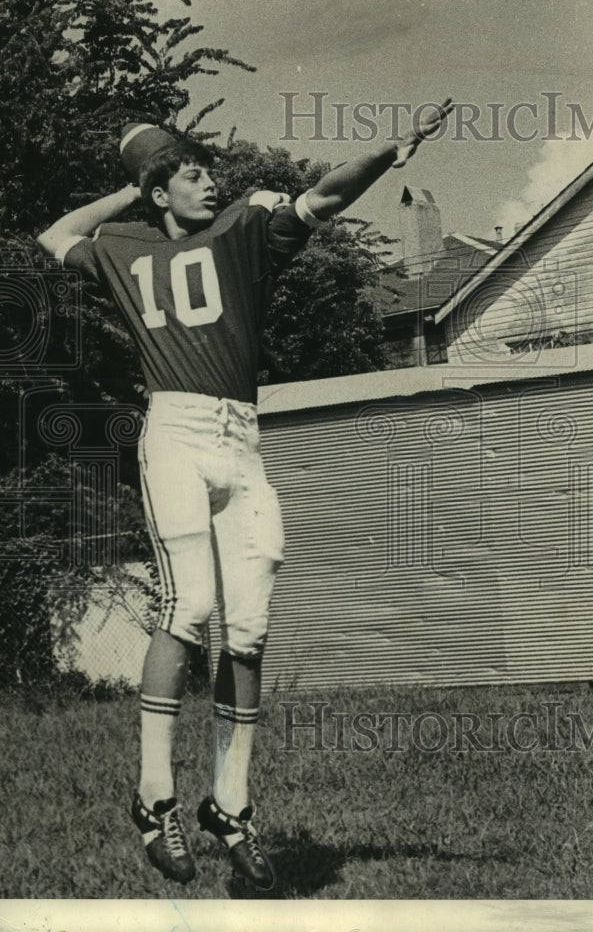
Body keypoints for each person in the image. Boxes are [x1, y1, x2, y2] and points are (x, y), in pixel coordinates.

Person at [37, 98, 454, 890]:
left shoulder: (241, 232)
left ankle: (229, 805)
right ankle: (154, 795)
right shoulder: (123, 245)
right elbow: (53, 236)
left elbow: (324, 196)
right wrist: (135, 188)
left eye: (206, 170)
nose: (210, 180)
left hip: (242, 441)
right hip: (177, 435)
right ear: (159, 192)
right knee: (189, 608)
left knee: (252, 627)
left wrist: (391, 149)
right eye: (190, 172)